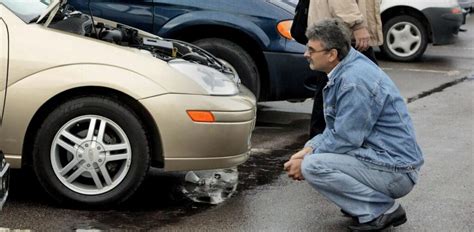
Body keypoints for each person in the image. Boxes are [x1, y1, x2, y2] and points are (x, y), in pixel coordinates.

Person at [284, 19, 423, 231]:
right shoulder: (347, 67)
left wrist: (306, 160)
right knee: (311, 158)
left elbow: (345, 138)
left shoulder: (354, 81)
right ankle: (364, 204)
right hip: (384, 161)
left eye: (311, 49)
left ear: (331, 54)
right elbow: (335, 130)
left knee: (313, 166)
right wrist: (307, 149)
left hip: (396, 171)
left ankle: (381, 210)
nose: (306, 54)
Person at [305, 0, 384, 138]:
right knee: (372, 89)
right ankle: (320, 148)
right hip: (345, 35)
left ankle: (318, 146)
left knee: (329, 91)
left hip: (339, 34)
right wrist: (357, 24)